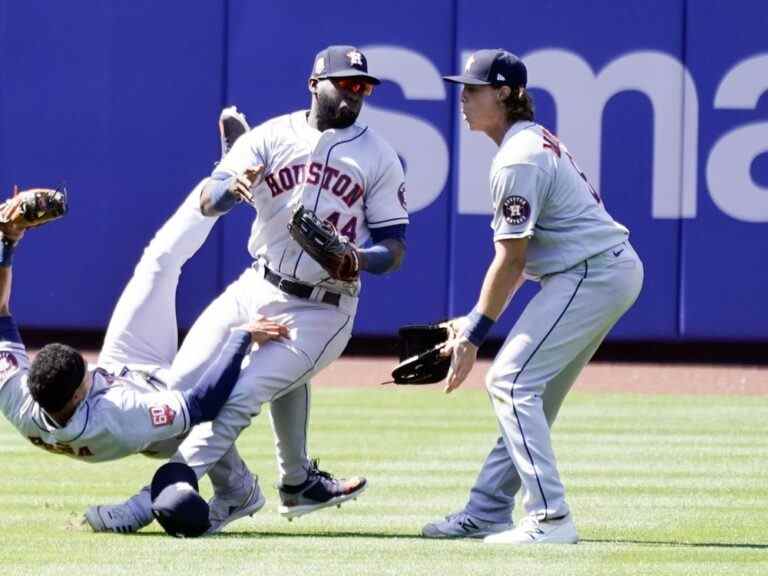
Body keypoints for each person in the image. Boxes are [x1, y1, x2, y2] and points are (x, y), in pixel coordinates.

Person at [96, 44, 409, 533]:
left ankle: (146, 501)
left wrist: (358, 258)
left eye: (363, 86)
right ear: (314, 85)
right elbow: (208, 198)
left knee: (240, 396)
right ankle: (247, 488)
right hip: (256, 286)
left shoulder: (379, 155)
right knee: (179, 394)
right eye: (345, 83)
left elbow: (394, 248)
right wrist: (229, 187)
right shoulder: (270, 137)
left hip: (324, 308)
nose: (355, 93)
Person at [421, 49, 644, 544]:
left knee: (509, 380)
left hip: (592, 273)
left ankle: (551, 519)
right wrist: (476, 318)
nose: (463, 98)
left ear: (505, 93)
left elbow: (513, 261)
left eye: (474, 89)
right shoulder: (525, 144)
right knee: (529, 393)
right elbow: (521, 262)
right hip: (594, 271)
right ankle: (486, 510)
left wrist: (476, 331)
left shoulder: (517, 158)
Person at [0, 176, 289, 531]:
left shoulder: (21, 400)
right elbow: (203, 404)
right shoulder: (116, 416)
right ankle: (235, 487)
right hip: (157, 423)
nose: (87, 365)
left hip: (126, 368)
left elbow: (0, 314)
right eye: (84, 371)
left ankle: (221, 188)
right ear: (77, 393)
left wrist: (6, 242)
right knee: (233, 367)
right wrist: (242, 339)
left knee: (158, 260)